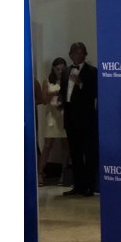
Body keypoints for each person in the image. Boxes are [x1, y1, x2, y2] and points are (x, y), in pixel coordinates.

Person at [60, 42, 98, 196]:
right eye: (76, 52)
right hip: (70, 118)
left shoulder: (92, 71)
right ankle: (78, 185)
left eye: (82, 52)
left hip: (86, 118)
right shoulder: (65, 71)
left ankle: (89, 186)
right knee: (75, 153)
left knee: (88, 153)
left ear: (85, 54)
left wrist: (80, 84)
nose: (79, 55)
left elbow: (95, 93)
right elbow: (65, 91)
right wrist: (61, 101)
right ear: (70, 55)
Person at [38, 57, 71, 186]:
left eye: (62, 69)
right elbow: (43, 100)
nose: (60, 72)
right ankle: (40, 173)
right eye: (57, 69)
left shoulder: (68, 80)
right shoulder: (47, 81)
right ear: (53, 69)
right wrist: (53, 94)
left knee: (65, 145)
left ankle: (64, 173)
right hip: (52, 115)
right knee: (47, 145)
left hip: (64, 114)